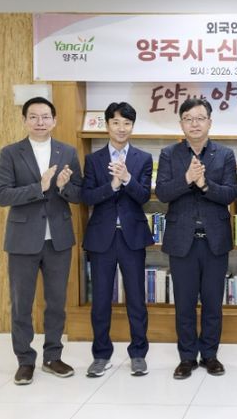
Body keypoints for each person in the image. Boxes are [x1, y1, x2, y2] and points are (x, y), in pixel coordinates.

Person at [0, 96, 82, 385]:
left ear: (54, 120)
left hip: (58, 239)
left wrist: (63, 187)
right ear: (25, 121)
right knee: (22, 303)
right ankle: (25, 360)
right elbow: (2, 195)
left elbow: (79, 194)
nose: (40, 122)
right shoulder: (10, 153)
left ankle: (53, 356)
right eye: (33, 116)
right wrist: (39, 187)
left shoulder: (67, 151)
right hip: (22, 240)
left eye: (45, 117)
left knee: (56, 302)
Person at [155, 98, 237, 379]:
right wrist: (187, 179)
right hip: (182, 241)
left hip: (214, 240)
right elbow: (162, 192)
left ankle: (210, 355)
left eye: (200, 118)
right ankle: (187, 357)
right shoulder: (169, 154)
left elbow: (230, 194)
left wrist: (204, 184)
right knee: (185, 304)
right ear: (181, 123)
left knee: (213, 303)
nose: (195, 123)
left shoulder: (225, 154)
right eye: (188, 118)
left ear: (210, 122)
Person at [81, 102, 154, 377]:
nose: (121, 128)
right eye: (116, 122)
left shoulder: (143, 158)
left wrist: (126, 179)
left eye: (127, 123)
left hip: (132, 238)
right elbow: (87, 197)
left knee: (136, 299)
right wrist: (111, 186)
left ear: (132, 126)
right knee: (100, 300)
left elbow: (144, 196)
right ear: (107, 125)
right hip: (102, 238)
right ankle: (101, 355)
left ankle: (138, 354)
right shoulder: (93, 160)